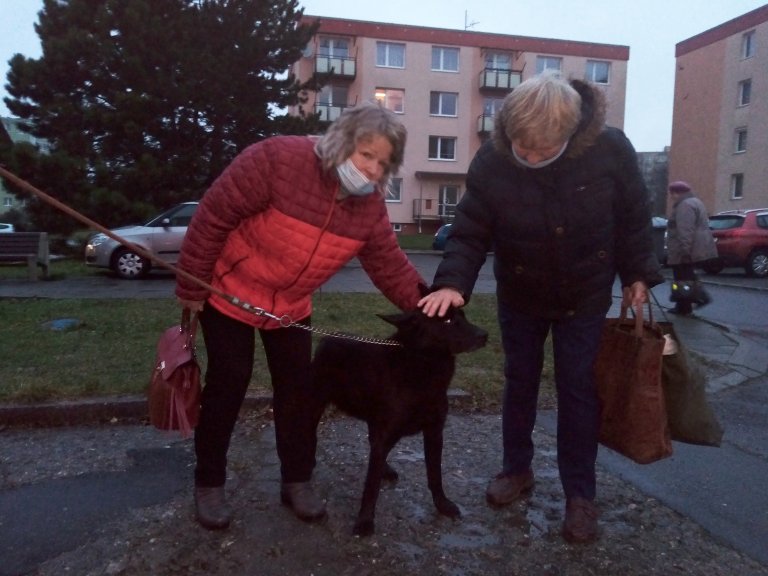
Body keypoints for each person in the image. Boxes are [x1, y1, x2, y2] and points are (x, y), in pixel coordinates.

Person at [418, 72, 662, 544]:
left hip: (585, 294)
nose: (527, 157)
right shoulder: (493, 160)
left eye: (540, 150)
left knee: (577, 390)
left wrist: (637, 274)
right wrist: (452, 283)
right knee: (520, 382)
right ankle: (516, 469)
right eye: (520, 147)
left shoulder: (610, 150)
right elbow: (469, 230)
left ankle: (580, 496)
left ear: (569, 136)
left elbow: (634, 218)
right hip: (522, 292)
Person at [175, 102, 427, 530]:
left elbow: (389, 264)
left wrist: (429, 304)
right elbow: (213, 217)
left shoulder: (369, 207)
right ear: (341, 142)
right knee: (229, 383)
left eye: (382, 163)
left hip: (290, 306)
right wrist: (193, 289)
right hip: (229, 290)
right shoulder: (276, 159)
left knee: (298, 393)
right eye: (366, 155)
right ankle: (209, 483)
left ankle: (297, 481)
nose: (371, 170)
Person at [665, 180, 717, 315]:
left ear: (677, 193)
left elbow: (685, 230)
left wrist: (685, 251)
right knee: (687, 277)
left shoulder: (684, 206)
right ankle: (685, 304)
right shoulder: (695, 202)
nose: (671, 197)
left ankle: (690, 303)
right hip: (694, 249)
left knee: (682, 278)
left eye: (672, 193)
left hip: (684, 250)